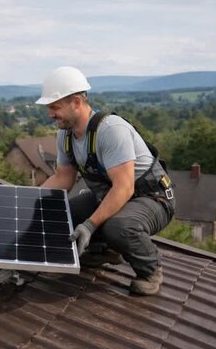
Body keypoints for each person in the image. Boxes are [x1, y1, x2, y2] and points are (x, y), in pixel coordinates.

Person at [37, 66, 175, 295]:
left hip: (152, 198)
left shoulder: (111, 130)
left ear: (77, 102)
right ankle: (103, 251)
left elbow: (124, 187)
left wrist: (90, 226)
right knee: (61, 212)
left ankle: (150, 269)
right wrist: (30, 200)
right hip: (113, 196)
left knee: (118, 226)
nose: (50, 114)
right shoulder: (66, 134)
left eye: (55, 107)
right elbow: (63, 177)